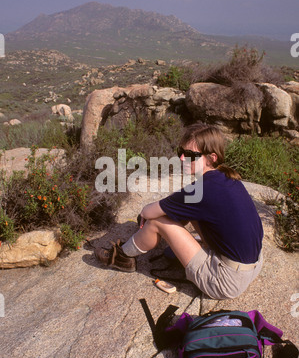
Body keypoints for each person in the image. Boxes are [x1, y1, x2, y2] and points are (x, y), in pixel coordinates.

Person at [95, 123, 264, 300]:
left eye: (190, 155)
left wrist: (148, 219)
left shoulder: (200, 191)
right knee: (190, 215)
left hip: (225, 281)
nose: (182, 158)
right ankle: (191, 250)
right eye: (180, 152)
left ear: (211, 158)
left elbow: (148, 212)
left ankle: (121, 257)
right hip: (252, 265)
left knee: (157, 222)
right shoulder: (228, 178)